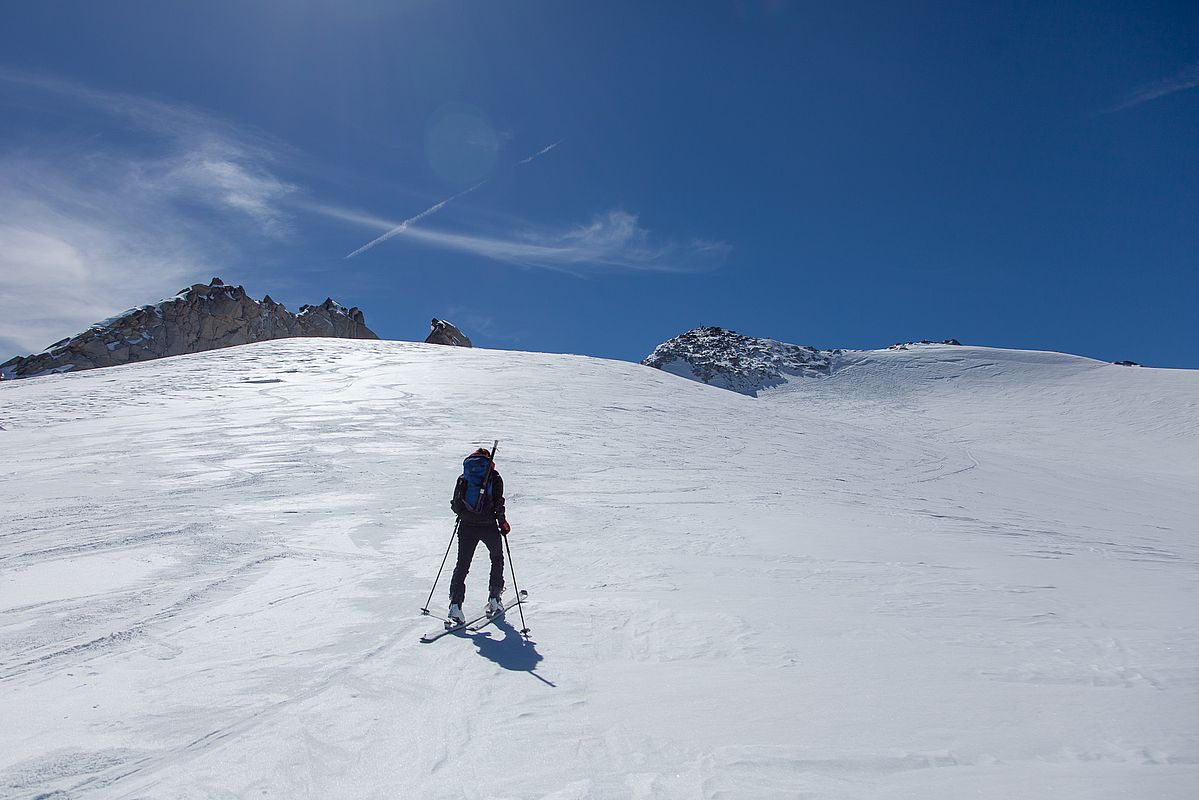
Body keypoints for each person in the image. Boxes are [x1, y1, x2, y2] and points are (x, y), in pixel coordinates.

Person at [448, 447, 511, 625]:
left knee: (462, 564)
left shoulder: (464, 477)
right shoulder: (494, 476)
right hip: (488, 526)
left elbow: (456, 503)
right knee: (497, 558)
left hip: (466, 526)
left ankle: (455, 604)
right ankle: (494, 598)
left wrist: (464, 515)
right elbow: (499, 503)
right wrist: (503, 523)